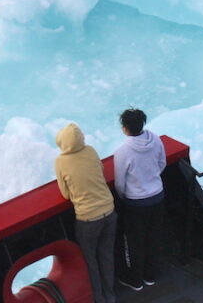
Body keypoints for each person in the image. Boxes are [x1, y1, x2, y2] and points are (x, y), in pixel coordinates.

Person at [55, 123, 117, 303]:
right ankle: (111, 296)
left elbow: (66, 193)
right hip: (109, 211)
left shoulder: (60, 162)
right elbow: (101, 171)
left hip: (88, 218)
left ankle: (99, 300)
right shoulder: (90, 150)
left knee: (90, 261)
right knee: (106, 256)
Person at [113, 108, 166, 292]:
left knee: (134, 241)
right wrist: (151, 181)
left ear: (125, 128)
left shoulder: (122, 151)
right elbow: (162, 164)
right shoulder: (156, 139)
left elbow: (119, 183)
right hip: (157, 196)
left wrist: (127, 195)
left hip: (135, 203)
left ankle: (136, 281)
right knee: (154, 236)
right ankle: (150, 276)